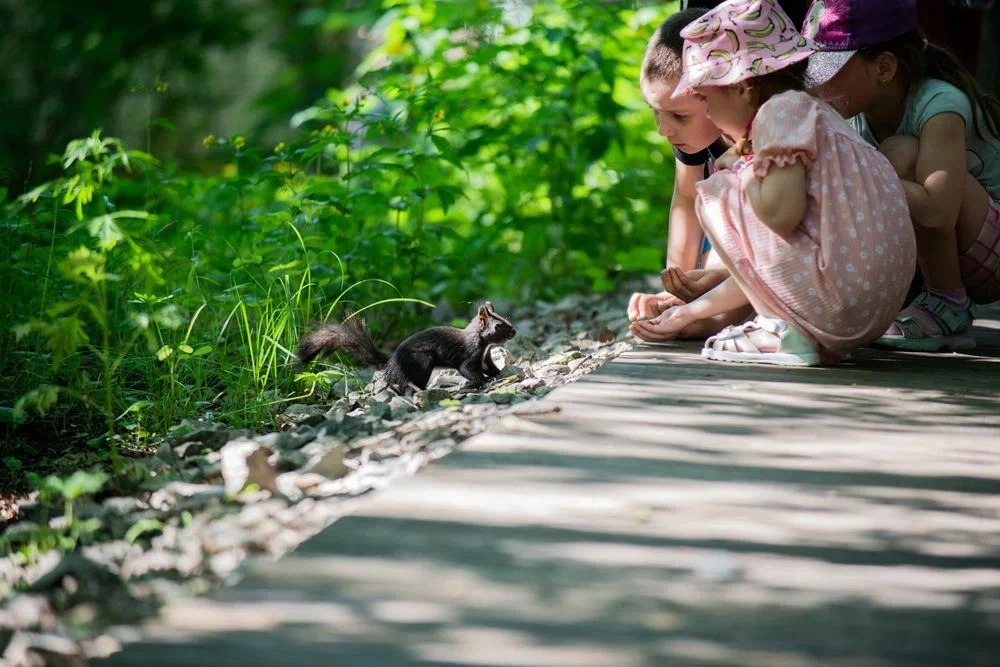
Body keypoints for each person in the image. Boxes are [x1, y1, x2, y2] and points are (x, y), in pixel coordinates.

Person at [631, 0, 917, 366]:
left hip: (842, 299)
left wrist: (741, 170)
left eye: (705, 96)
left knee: (714, 195)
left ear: (743, 87)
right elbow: (776, 261)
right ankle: (795, 331)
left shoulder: (778, 114)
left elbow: (780, 216)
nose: (709, 112)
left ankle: (778, 328)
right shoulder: (808, 113)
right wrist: (690, 312)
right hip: (870, 305)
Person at [804, 0, 1000, 351]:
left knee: (900, 153)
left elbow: (938, 213)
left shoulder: (940, 103)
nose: (817, 83)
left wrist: (863, 170)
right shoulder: (853, 115)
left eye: (831, 69)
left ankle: (948, 304)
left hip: (990, 256)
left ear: (884, 67)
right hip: (954, 253)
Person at [627, 8, 752, 337]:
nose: (663, 130)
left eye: (679, 116)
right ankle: (689, 312)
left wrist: (713, 281)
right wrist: (675, 285)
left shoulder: (761, 137)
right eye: (656, 113)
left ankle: (702, 321)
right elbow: (685, 197)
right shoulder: (696, 136)